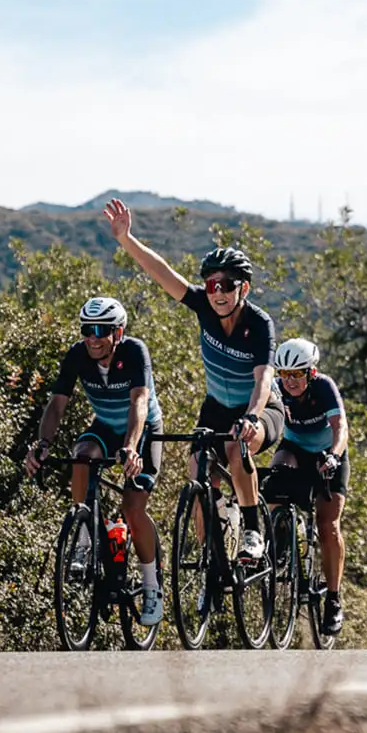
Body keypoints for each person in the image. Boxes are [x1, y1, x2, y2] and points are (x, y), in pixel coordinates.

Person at [104, 198, 283, 560]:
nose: (217, 292)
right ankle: (211, 562)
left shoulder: (259, 324)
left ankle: (251, 531)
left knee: (236, 447)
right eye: (211, 284)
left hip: (261, 409)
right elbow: (164, 273)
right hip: (216, 408)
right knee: (197, 473)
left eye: (227, 285)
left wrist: (252, 416)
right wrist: (126, 239)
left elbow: (264, 377)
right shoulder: (204, 305)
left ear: (243, 289)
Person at [24, 296, 164, 625]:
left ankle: (151, 585)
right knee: (81, 456)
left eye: (101, 330)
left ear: (119, 332)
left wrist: (131, 447)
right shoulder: (77, 355)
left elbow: (139, 402)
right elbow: (57, 404)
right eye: (88, 329)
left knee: (132, 508)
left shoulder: (134, 351)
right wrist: (42, 444)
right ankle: (84, 539)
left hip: (141, 429)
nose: (93, 337)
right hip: (105, 426)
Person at [269, 337, 349, 637]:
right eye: (284, 374)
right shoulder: (278, 389)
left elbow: (341, 428)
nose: (290, 381)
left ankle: (333, 598)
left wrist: (334, 456)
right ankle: (280, 537)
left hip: (328, 453)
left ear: (310, 373)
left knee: (328, 525)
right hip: (295, 447)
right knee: (275, 479)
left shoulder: (324, 387)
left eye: (296, 374)